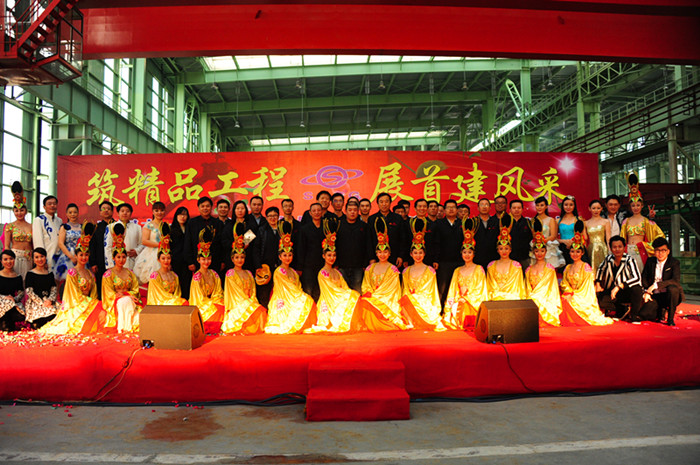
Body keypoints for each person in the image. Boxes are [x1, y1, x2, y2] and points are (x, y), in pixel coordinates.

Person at [41, 223, 104, 335]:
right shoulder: (72, 273)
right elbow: (73, 296)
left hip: (89, 304)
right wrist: (91, 303)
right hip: (76, 306)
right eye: (81, 255)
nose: (84, 257)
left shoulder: (90, 273)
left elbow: (94, 294)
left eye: (86, 255)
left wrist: (94, 304)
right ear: (76, 256)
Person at [265, 220, 317, 334]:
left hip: (293, 296)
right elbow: (288, 289)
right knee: (305, 299)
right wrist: (299, 296)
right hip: (284, 299)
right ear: (280, 257)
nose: (287, 258)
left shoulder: (293, 271)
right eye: (284, 255)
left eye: (290, 255)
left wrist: (299, 295)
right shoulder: (279, 271)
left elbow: (297, 287)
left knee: (307, 300)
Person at [311, 217, 362, 333]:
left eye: (334, 255)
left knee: (354, 295)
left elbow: (345, 287)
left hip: (338, 297)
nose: (332, 258)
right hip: (329, 301)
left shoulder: (337, 272)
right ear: (323, 256)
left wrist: (348, 293)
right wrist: (345, 294)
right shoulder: (322, 273)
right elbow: (330, 292)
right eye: (329, 255)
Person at [359, 217, 410, 332]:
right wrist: (369, 292)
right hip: (372, 297)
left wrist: (375, 296)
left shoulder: (393, 269)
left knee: (371, 302)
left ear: (389, 253)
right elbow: (365, 284)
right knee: (365, 301)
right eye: (380, 252)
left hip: (386, 300)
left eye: (385, 252)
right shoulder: (370, 268)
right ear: (376, 253)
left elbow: (391, 290)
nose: (382, 255)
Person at [560, 220, 614, 326]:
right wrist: (569, 292)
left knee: (572, 301)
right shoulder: (567, 267)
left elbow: (587, 288)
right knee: (563, 299)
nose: (575, 254)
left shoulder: (586, 267)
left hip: (582, 297)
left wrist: (574, 295)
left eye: (578, 252)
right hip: (570, 294)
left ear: (582, 253)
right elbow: (564, 283)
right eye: (572, 251)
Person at [400, 218, 446, 331]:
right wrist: (411, 296)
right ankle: (410, 321)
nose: (418, 256)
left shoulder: (429, 270)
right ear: (411, 254)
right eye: (415, 253)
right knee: (405, 299)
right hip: (410, 300)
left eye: (420, 253)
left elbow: (431, 291)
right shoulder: (406, 271)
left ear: (424, 254)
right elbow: (404, 290)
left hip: (424, 300)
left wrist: (417, 295)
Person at [222, 222, 267, 335]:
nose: (239, 260)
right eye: (237, 257)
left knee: (261, 311)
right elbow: (235, 295)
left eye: (242, 257)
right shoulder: (230, 273)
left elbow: (253, 292)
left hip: (249, 302)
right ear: (232, 259)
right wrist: (247, 302)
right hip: (238, 305)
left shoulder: (248, 273)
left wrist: (251, 301)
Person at [443, 217, 488, 329]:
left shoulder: (479, 269)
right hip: (459, 301)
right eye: (464, 252)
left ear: (474, 254)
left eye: (469, 252)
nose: (467, 255)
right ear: (461, 254)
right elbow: (452, 290)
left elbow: (480, 291)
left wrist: (466, 299)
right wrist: (458, 299)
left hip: (472, 303)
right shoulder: (457, 270)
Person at [102, 223, 142, 333]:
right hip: (116, 303)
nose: (121, 260)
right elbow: (108, 294)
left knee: (139, 318)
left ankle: (127, 327)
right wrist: (123, 296)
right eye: (118, 257)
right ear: (113, 258)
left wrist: (127, 294)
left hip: (130, 301)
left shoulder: (130, 273)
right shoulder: (108, 274)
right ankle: (124, 328)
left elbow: (135, 290)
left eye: (123, 257)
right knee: (124, 301)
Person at [620, 172, 664, 272]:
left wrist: (646, 245)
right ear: (630, 207)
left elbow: (660, 236)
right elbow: (622, 239)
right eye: (633, 205)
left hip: (641, 251)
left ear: (642, 206)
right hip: (628, 252)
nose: (635, 208)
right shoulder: (626, 221)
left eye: (638, 205)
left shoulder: (647, 221)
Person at [594, 235, 644, 321]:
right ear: (610, 248)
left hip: (626, 290)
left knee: (637, 289)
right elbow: (600, 269)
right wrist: (598, 284)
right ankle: (622, 309)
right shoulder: (608, 259)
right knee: (598, 298)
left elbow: (637, 278)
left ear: (624, 248)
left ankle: (634, 316)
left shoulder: (629, 260)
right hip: (613, 292)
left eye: (620, 247)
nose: (617, 249)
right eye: (614, 247)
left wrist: (619, 286)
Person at [525, 219, 562, 327]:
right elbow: (527, 288)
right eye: (536, 251)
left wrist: (536, 296)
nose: (539, 254)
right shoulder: (528, 269)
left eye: (542, 251)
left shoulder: (549, 268)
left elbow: (552, 289)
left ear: (546, 252)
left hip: (545, 299)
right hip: (531, 298)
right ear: (533, 252)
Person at [640, 237, 684, 326]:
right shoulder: (650, 261)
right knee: (644, 314)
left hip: (669, 295)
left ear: (668, 251)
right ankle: (660, 311)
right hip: (655, 295)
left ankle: (670, 319)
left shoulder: (674, 262)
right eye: (657, 250)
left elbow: (675, 280)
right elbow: (644, 278)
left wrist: (656, 285)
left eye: (663, 250)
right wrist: (646, 291)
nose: (660, 253)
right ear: (654, 251)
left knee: (673, 289)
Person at [189, 226, 225, 330]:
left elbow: (218, 292)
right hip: (202, 305)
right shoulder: (197, 277)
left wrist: (216, 301)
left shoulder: (214, 274)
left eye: (208, 259)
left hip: (212, 302)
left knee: (223, 305)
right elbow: (198, 300)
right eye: (203, 259)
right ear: (198, 260)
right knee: (216, 309)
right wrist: (212, 303)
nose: (206, 262)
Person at [486, 215, 526, 301]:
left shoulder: (516, 265)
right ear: (497, 250)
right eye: (501, 249)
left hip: (512, 299)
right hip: (495, 299)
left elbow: (519, 288)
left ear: (510, 250)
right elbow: (489, 287)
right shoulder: (491, 265)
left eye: (506, 248)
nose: (504, 251)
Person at [146, 223, 188, 307]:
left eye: (168, 258)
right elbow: (158, 295)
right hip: (161, 303)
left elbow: (177, 293)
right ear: (158, 260)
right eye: (163, 258)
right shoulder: (155, 276)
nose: (166, 261)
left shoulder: (174, 275)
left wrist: (176, 299)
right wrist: (174, 300)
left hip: (173, 301)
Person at [433, 200, 463, 305]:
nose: (451, 209)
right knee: (443, 287)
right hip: (443, 261)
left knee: (459, 286)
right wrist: (436, 259)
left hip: (460, 261)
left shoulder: (462, 223)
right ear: (444, 210)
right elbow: (436, 243)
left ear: (457, 210)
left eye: (453, 207)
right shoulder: (438, 224)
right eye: (448, 207)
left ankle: (457, 309)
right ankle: (442, 309)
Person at [184, 197, 223, 279]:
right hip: (197, 261)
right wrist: (190, 261)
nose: (205, 208)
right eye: (202, 206)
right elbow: (188, 242)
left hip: (214, 261)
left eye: (207, 206)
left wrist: (222, 261)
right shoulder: (192, 223)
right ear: (198, 208)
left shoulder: (218, 223)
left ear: (211, 207)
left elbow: (221, 243)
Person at [336, 199, 370, 292]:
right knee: (343, 291)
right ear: (345, 211)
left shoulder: (364, 226)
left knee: (357, 290)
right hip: (342, 265)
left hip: (358, 266)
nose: (352, 212)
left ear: (358, 211)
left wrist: (365, 264)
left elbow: (367, 245)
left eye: (355, 210)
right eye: (350, 210)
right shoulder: (338, 225)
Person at [23, 248, 60, 329]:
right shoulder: (30, 274)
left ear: (45, 257)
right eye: (37, 257)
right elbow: (29, 292)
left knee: (57, 313)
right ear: (33, 259)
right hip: (36, 302)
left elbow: (54, 289)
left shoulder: (49, 274)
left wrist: (49, 301)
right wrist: (42, 303)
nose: (40, 259)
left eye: (42, 256)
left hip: (49, 302)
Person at [253, 206, 281, 308]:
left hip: (280, 266)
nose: (272, 218)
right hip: (264, 267)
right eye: (270, 216)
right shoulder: (261, 230)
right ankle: (264, 312)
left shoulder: (282, 229)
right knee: (264, 293)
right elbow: (256, 249)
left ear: (278, 217)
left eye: (275, 216)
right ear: (266, 217)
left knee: (279, 292)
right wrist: (258, 265)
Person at [368, 193, 406, 267]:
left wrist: (401, 256)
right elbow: (369, 240)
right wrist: (372, 258)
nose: (384, 204)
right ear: (377, 203)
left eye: (386, 201)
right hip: (377, 257)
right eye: (381, 202)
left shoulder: (398, 218)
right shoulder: (372, 219)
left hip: (394, 257)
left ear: (390, 202)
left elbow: (403, 238)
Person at [4, 182, 33, 279]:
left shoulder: (32, 226)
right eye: (16, 211)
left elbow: (34, 244)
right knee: (14, 280)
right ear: (13, 212)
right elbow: (7, 246)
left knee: (27, 282)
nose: (19, 213)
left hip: (29, 258)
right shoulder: (10, 226)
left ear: (26, 211)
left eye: (21, 210)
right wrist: (7, 260)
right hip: (15, 258)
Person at [133, 201, 166, 284]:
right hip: (151, 254)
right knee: (152, 278)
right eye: (156, 210)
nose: (159, 213)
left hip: (165, 253)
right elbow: (144, 241)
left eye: (162, 210)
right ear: (153, 212)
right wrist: (160, 244)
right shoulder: (149, 225)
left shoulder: (166, 225)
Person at [298, 202, 325, 301]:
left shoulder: (326, 227)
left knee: (321, 291)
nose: (317, 212)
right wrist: (300, 267)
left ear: (322, 212)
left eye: (319, 210)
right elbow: (301, 248)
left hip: (323, 265)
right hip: (308, 266)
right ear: (310, 213)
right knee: (308, 291)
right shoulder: (304, 229)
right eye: (314, 211)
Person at [105, 203, 143, 271]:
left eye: (127, 211)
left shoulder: (137, 227)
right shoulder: (111, 227)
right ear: (118, 213)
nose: (125, 213)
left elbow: (142, 244)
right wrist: (110, 265)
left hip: (134, 263)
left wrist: (136, 251)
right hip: (116, 264)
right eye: (122, 211)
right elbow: (107, 247)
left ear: (131, 213)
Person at [530, 196, 565, 269]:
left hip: (548, 248)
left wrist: (542, 241)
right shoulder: (532, 220)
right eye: (537, 205)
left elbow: (553, 236)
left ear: (546, 206)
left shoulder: (551, 220)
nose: (539, 207)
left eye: (542, 205)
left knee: (548, 269)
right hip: (536, 248)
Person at [89, 200, 114, 297]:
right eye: (104, 209)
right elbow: (92, 246)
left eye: (109, 209)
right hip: (100, 262)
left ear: (112, 211)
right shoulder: (96, 227)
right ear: (100, 212)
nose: (106, 210)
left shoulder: (117, 226)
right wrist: (93, 263)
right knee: (101, 284)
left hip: (115, 261)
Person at [32, 195, 62, 273]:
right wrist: (41, 259)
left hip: (59, 257)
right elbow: (38, 241)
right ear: (44, 207)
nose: (52, 205)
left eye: (54, 203)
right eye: (49, 204)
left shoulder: (59, 221)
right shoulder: (39, 220)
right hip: (47, 257)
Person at [54, 203, 82, 283]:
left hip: (80, 256)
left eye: (75, 212)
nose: (72, 214)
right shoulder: (64, 227)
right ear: (66, 214)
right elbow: (60, 243)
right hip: (67, 256)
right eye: (70, 212)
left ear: (78, 213)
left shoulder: (82, 227)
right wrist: (71, 257)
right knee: (67, 281)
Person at [558, 195, 587, 266]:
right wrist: (564, 241)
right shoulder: (558, 221)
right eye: (566, 205)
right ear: (562, 206)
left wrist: (574, 242)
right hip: (563, 248)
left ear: (574, 206)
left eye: (571, 205)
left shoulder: (579, 219)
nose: (568, 207)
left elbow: (585, 237)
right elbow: (554, 238)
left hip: (576, 249)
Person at [0, 250, 25, 332]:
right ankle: (4, 323)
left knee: (21, 313)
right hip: (1, 301)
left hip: (13, 302)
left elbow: (21, 292)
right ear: (1, 261)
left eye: (11, 259)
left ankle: (8, 322)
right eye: (5, 259)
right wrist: (5, 298)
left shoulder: (18, 276)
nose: (8, 261)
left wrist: (14, 299)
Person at [169, 206, 191, 299]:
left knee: (187, 283)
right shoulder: (171, 229)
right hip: (175, 260)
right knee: (175, 282)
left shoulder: (190, 228)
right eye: (180, 214)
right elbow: (168, 246)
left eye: (185, 215)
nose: (182, 217)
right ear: (176, 216)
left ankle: (186, 301)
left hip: (187, 261)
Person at [586, 199, 611, 273]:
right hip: (591, 248)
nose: (596, 210)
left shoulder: (606, 221)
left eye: (598, 208)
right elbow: (585, 239)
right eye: (593, 208)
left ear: (601, 209)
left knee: (604, 269)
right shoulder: (586, 223)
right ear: (589, 209)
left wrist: (610, 250)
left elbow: (608, 238)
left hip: (602, 248)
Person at [474, 198, 499, 269]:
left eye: (486, 205)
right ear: (478, 208)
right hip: (477, 258)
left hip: (494, 258)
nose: (484, 207)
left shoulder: (497, 222)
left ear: (490, 208)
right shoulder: (473, 222)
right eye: (482, 205)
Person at [509, 199, 533, 272]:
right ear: (510, 209)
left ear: (522, 209)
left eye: (519, 208)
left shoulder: (528, 222)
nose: (516, 210)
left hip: (524, 257)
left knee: (525, 276)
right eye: (514, 208)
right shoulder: (505, 222)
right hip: (509, 257)